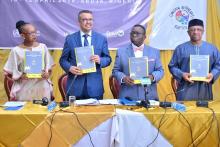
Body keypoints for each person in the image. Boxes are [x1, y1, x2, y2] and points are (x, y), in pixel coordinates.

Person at [59, 10, 111, 100]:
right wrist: (69, 68)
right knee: (74, 114)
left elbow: (108, 59)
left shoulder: (101, 38)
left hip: (95, 88)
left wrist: (100, 60)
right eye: (85, 19)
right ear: (79, 22)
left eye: (90, 19)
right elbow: (63, 60)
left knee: (95, 114)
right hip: (75, 87)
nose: (88, 22)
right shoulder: (70, 39)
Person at [168, 19, 220, 101]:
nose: (195, 32)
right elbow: (172, 66)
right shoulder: (180, 49)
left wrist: (212, 74)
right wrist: (182, 74)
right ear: (188, 32)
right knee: (184, 112)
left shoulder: (212, 49)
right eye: (192, 30)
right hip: (185, 88)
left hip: (205, 88)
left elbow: (218, 65)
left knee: (205, 112)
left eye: (199, 29)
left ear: (203, 31)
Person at [3, 20, 54, 101]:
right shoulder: (16, 50)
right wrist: (20, 76)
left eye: (35, 32)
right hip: (24, 87)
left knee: (43, 111)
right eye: (31, 33)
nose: (34, 35)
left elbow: (49, 69)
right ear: (22, 35)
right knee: (26, 111)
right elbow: (8, 73)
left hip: (42, 86)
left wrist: (47, 74)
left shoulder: (43, 47)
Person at [112, 24, 164, 100]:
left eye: (137, 33)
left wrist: (152, 77)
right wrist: (123, 78)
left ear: (144, 37)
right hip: (128, 96)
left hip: (149, 96)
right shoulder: (121, 52)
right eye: (132, 33)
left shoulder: (154, 52)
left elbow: (160, 71)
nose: (134, 35)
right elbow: (115, 71)